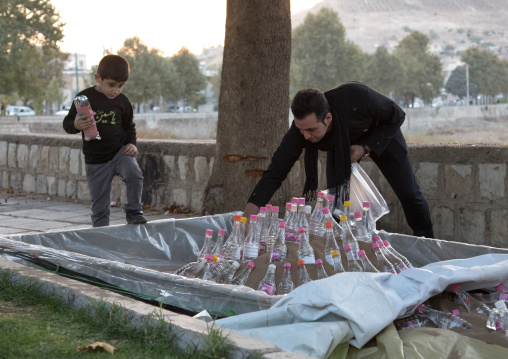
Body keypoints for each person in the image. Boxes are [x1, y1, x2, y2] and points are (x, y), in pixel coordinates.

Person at [243, 82, 434, 238]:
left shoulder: (358, 97)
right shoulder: (300, 132)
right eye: (302, 130)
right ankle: (342, 250)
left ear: (328, 118)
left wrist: (366, 147)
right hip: (341, 147)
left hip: (380, 135)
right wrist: (252, 208)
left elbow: (397, 115)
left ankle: (427, 241)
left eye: (311, 130)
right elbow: (277, 170)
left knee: (410, 193)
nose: (306, 136)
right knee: (337, 204)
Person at [63, 54, 147, 227]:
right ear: (98, 78)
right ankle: (101, 236)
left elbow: (129, 126)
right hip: (96, 160)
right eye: (111, 85)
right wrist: (77, 124)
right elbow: (68, 124)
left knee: (135, 174)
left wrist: (132, 144)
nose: (116, 90)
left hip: (119, 153)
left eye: (121, 86)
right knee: (100, 208)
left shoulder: (122, 101)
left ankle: (133, 210)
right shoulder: (83, 98)